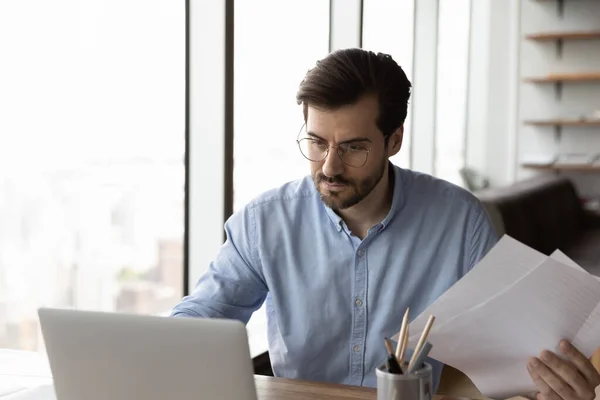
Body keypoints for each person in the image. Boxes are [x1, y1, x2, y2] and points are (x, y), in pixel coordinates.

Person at [170, 48, 600, 399]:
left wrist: (552, 385)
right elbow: (208, 311)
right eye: (317, 143)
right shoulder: (264, 221)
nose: (330, 167)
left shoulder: (460, 220)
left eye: (353, 147)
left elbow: (513, 345)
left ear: (394, 140)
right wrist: (160, 341)